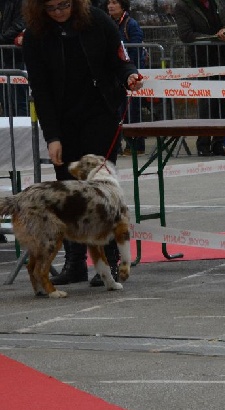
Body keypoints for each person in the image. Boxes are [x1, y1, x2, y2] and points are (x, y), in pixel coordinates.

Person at [22, 0, 143, 286]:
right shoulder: (35, 35)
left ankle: (110, 264)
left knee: (101, 195)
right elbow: (40, 89)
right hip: (63, 120)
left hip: (100, 112)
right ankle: (75, 263)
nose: (58, 12)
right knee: (68, 192)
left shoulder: (99, 21)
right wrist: (51, 137)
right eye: (50, 8)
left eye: (63, 5)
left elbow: (120, 59)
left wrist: (130, 75)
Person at [174, 0, 225, 156]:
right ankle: (203, 143)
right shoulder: (183, 6)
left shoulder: (221, 2)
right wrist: (213, 38)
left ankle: (219, 142)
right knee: (206, 102)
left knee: (224, 101)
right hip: (203, 59)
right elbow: (186, 34)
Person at [107, 0, 146, 156]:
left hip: (129, 74)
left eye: (114, 3)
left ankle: (137, 145)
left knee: (132, 111)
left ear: (123, 6)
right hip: (115, 75)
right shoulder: (108, 23)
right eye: (109, 2)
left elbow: (136, 49)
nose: (110, 6)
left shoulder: (131, 24)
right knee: (119, 110)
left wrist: (130, 71)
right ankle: (121, 144)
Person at [0, 0, 29, 117]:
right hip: (3, 56)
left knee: (19, 100)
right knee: (5, 100)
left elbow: (20, 24)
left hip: (16, 57)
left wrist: (2, 39)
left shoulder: (20, 2)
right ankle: (8, 134)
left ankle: (23, 133)